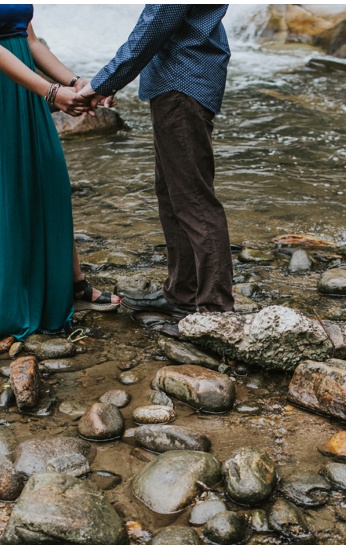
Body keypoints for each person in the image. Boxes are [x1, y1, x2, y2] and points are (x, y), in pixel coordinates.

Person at [0, 4, 119, 344]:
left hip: (22, 92)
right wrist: (51, 92)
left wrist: (77, 82)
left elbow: (30, 41)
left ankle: (71, 280)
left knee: (48, 183)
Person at [71, 4, 234, 316]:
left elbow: (155, 24)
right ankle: (182, 295)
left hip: (183, 84)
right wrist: (108, 81)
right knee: (173, 193)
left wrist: (102, 83)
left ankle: (215, 309)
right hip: (184, 81)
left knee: (193, 199)